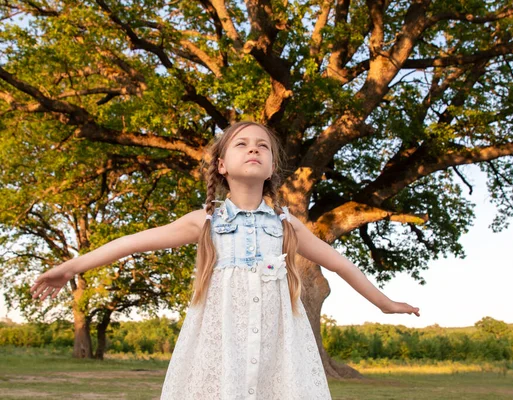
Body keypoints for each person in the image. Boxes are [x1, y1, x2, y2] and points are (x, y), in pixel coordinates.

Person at [30, 121, 420, 399]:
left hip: (278, 345)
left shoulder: (288, 226)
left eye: (263, 146)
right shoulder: (205, 222)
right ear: (221, 166)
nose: (254, 148)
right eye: (242, 144)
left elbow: (339, 263)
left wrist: (384, 303)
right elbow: (132, 243)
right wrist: (70, 267)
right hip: (221, 343)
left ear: (271, 169)